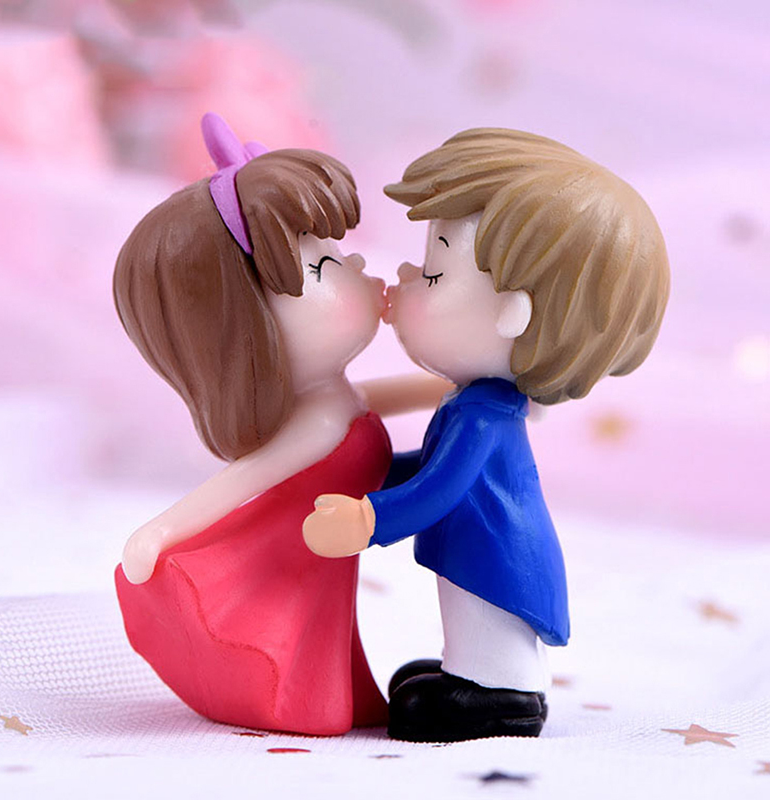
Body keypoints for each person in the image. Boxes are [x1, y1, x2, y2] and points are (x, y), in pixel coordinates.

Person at [303, 128, 671, 742]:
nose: (406, 276)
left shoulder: (483, 416)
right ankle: (474, 677)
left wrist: (369, 520)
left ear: (513, 313)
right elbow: (432, 468)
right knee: (462, 626)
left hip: (496, 560)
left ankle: (501, 694)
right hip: (485, 550)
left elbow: (440, 489)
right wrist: (371, 468)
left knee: (481, 624)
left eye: (434, 271)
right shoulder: (482, 405)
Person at [113, 113, 413, 736]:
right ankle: (302, 698)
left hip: (324, 556)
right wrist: (159, 531)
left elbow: (374, 400)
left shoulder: (334, 402)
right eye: (325, 267)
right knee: (302, 638)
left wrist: (453, 385)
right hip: (291, 560)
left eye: (338, 253)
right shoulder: (314, 423)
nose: (358, 264)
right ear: (247, 330)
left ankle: (336, 693)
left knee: (331, 629)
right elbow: (247, 478)